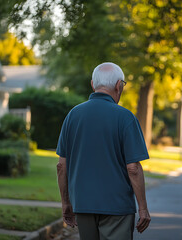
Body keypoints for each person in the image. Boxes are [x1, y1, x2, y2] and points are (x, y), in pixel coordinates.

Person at [56, 62, 151, 240]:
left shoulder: (72, 116)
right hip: (117, 208)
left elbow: (61, 166)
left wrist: (66, 202)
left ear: (93, 84)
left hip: (83, 205)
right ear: (118, 86)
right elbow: (133, 168)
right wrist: (143, 208)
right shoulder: (125, 117)